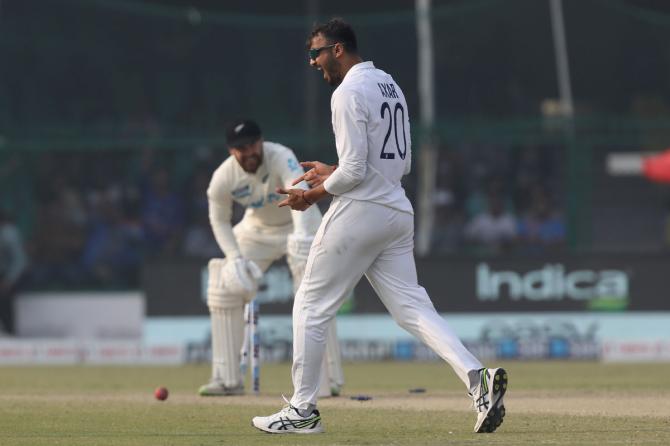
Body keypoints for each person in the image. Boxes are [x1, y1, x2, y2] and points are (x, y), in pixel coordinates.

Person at [252, 19, 507, 434]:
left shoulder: (347, 91)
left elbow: (354, 171)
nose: (313, 63)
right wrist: (335, 172)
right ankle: (477, 378)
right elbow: (397, 163)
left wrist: (313, 194)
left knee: (310, 306)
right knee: (413, 308)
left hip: (362, 209)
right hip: (395, 208)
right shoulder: (388, 84)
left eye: (315, 53)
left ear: (337, 50)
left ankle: (302, 410)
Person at [199, 118, 344, 397]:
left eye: (252, 144)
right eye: (241, 148)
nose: (249, 152)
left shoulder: (280, 156)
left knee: (314, 295)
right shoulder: (223, 178)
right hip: (258, 230)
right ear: (231, 151)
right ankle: (227, 379)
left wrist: (302, 238)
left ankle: (328, 380)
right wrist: (235, 258)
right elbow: (219, 221)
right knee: (222, 283)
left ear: (261, 142)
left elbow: (297, 189)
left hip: (301, 222)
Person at [0, 209, 28, 335]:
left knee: (4, 297)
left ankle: (10, 332)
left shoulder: (8, 233)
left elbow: (20, 261)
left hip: (9, 275)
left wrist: (9, 280)